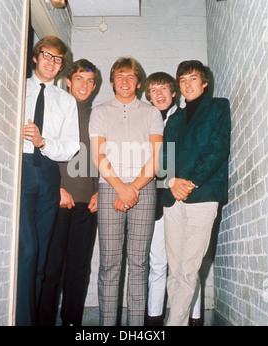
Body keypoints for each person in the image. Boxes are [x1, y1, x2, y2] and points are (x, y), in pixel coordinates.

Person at [89, 57, 164, 326]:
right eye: (120, 76)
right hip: (110, 188)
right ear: (111, 82)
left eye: (131, 77)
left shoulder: (151, 113)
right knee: (110, 263)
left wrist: (133, 189)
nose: (125, 81)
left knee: (139, 264)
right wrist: (121, 188)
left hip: (144, 189)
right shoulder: (99, 112)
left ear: (138, 82)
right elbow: (98, 156)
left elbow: (156, 158)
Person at [161, 60, 231, 326]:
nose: (187, 84)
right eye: (182, 80)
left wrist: (190, 182)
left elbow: (217, 148)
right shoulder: (175, 118)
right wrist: (171, 182)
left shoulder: (218, 107)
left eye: (192, 79)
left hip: (202, 195)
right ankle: (175, 320)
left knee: (189, 269)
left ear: (204, 82)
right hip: (172, 198)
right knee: (174, 269)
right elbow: (164, 156)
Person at [16, 36, 80, 326]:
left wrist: (43, 142)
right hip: (21, 169)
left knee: (41, 259)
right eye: (47, 55)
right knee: (28, 251)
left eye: (58, 59)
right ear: (34, 57)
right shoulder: (17, 87)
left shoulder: (66, 101)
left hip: (48, 174)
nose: (52, 63)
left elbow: (70, 147)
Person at [37, 59, 99, 326]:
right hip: (59, 200)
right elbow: (44, 151)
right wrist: (57, 189)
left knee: (79, 268)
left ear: (94, 86)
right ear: (68, 82)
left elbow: (104, 158)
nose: (84, 85)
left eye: (89, 81)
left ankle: (72, 321)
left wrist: (100, 192)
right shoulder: (57, 110)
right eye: (79, 79)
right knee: (52, 269)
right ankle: (44, 320)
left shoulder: (98, 117)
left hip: (89, 203)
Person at [144, 72, 203, 326]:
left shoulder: (186, 117)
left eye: (164, 89)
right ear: (148, 95)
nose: (159, 94)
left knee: (187, 266)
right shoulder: (145, 120)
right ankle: (154, 321)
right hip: (156, 202)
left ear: (174, 92)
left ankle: (194, 319)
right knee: (157, 263)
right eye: (154, 90)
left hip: (182, 199)